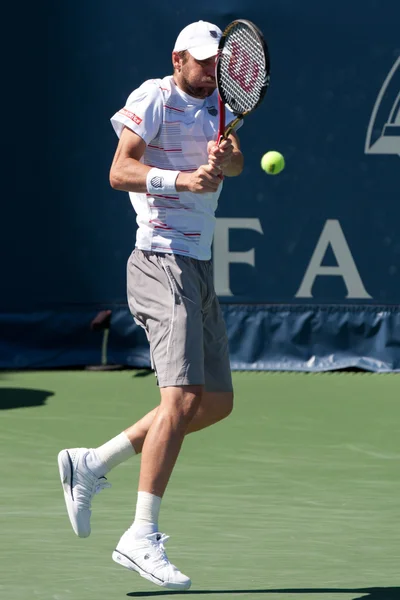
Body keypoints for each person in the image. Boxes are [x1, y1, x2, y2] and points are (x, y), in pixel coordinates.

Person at [57, 20, 244, 591]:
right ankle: (140, 534)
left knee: (213, 403)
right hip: (160, 260)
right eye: (201, 61)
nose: (210, 71)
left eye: (217, 62)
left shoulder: (220, 108)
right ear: (178, 58)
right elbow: (120, 170)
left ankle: (91, 463)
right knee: (182, 396)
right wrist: (182, 179)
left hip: (199, 264)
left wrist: (224, 160)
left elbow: (233, 164)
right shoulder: (154, 96)